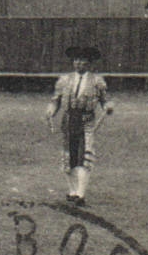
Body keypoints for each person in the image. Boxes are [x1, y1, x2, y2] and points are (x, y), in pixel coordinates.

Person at [47, 45, 111, 205]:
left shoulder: (97, 81)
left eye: (83, 61)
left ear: (89, 64)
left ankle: (81, 194)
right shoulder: (64, 80)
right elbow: (56, 100)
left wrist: (109, 107)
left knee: (84, 156)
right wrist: (51, 110)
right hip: (68, 121)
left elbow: (105, 100)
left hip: (86, 121)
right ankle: (72, 191)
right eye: (76, 60)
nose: (79, 64)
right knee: (69, 157)